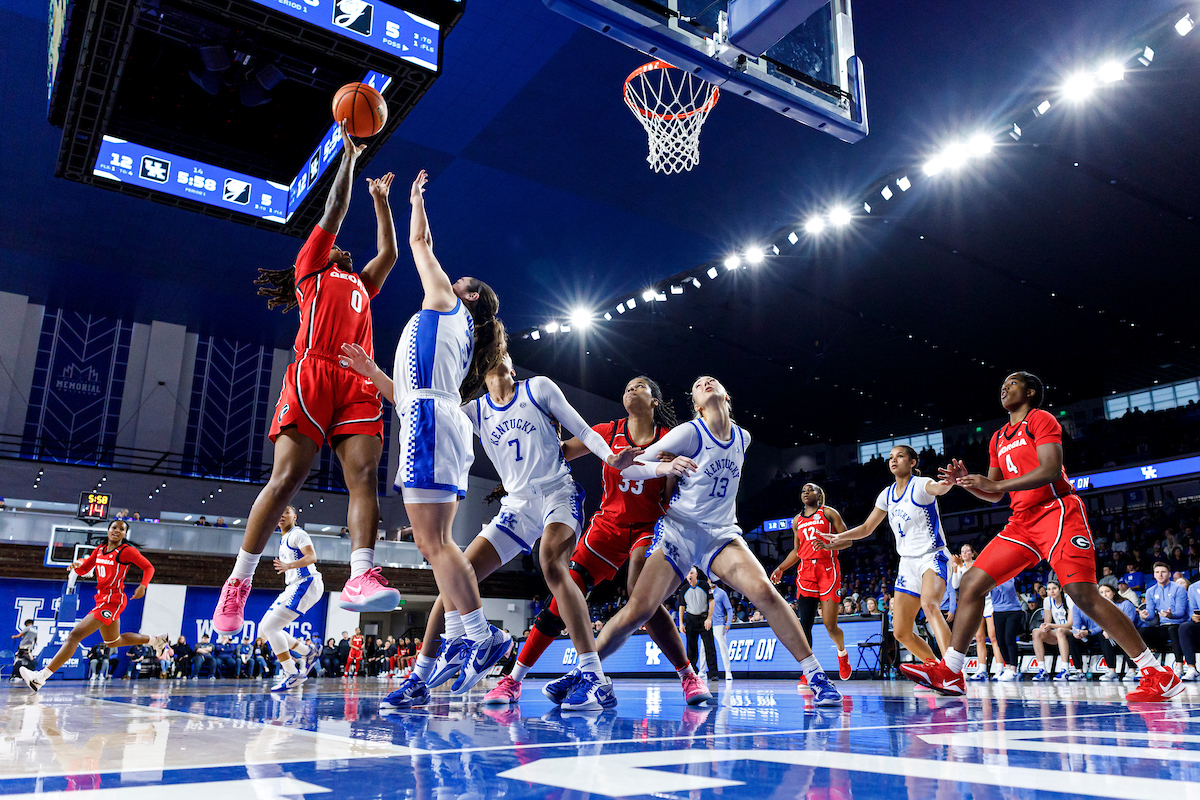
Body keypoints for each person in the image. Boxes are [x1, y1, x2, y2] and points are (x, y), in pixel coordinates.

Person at [362, 353, 639, 709]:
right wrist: (374, 372)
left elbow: (583, 430)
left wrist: (611, 457)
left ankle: (592, 675)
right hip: (518, 505)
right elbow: (415, 404)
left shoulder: (538, 388)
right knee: (455, 576)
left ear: (511, 362)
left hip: (558, 493)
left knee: (552, 563)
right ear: (480, 369)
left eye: (502, 350)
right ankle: (419, 678)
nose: (497, 355)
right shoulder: (475, 411)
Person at [211, 122, 401, 637]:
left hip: (357, 377)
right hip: (312, 371)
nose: (347, 249)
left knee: (363, 476)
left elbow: (390, 255)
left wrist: (381, 200)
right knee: (286, 480)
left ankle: (361, 573)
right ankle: (241, 580)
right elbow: (334, 211)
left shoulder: (362, 282)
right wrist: (348, 159)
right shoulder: (311, 266)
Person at [558, 376, 843, 706]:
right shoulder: (690, 432)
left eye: (711, 381)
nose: (705, 382)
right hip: (680, 531)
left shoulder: (743, 438)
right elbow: (630, 470)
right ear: (696, 405)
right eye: (698, 385)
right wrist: (665, 468)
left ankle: (816, 675)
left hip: (719, 535)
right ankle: (585, 671)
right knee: (639, 609)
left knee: (764, 590)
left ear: (725, 394)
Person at [899, 371, 1181, 701]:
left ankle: (1156, 673)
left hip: (1057, 510)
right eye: (1003, 385)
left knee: (1081, 593)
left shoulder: (1040, 420)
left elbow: (1049, 469)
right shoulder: (998, 438)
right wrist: (970, 482)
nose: (1005, 388)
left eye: (1013, 384)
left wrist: (996, 485)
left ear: (1031, 392)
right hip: (1022, 522)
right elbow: (993, 494)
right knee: (972, 583)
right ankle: (951, 672)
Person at [340, 168, 508, 701]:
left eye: (461, 280)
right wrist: (372, 374)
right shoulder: (451, 326)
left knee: (434, 543)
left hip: (432, 425)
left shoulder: (447, 303)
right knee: (437, 543)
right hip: (432, 419)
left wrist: (406, 201)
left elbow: (418, 241)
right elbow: (407, 392)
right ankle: (464, 638)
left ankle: (482, 637)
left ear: (471, 297)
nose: (449, 275)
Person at [488, 375, 708, 707]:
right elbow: (561, 453)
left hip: (651, 526)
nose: (630, 389)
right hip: (607, 527)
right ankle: (513, 680)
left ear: (654, 401)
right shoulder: (608, 431)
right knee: (561, 598)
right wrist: (521, 470)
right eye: (627, 385)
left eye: (639, 386)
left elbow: (675, 492)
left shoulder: (671, 439)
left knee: (640, 592)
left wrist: (670, 474)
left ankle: (688, 676)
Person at [824, 446, 954, 669]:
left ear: (913, 462)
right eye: (891, 457)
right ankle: (936, 669)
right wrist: (838, 537)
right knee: (902, 631)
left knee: (930, 605)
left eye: (900, 456)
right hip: (907, 563)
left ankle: (954, 671)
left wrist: (950, 481)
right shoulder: (887, 494)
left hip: (932, 557)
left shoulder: (921, 485)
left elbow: (939, 488)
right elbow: (866, 528)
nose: (894, 460)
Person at [19, 519, 165, 692]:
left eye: (121, 529)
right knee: (113, 642)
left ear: (125, 534)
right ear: (108, 530)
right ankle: (157, 640)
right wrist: (76, 566)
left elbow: (149, 568)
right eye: (114, 527)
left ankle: (41, 677)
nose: (117, 531)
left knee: (74, 636)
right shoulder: (99, 550)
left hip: (113, 600)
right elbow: (84, 570)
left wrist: (143, 585)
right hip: (101, 599)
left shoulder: (126, 551)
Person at [771, 483, 853, 681]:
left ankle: (842, 655)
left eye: (810, 489)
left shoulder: (829, 513)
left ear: (819, 494)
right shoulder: (797, 520)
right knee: (804, 624)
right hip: (806, 571)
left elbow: (848, 540)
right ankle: (809, 671)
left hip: (828, 568)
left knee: (829, 625)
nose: (806, 492)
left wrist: (829, 544)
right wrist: (781, 568)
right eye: (803, 491)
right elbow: (797, 552)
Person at [260, 506, 323, 691]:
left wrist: (289, 565)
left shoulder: (298, 534)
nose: (281, 514)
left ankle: (292, 673)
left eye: (286, 511)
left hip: (306, 582)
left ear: (295, 516)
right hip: (294, 585)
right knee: (264, 630)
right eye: (279, 511)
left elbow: (312, 557)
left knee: (272, 627)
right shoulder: (284, 538)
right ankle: (308, 651)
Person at [1140, 561, 1188, 674]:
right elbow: (1151, 615)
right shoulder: (1150, 591)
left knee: (1173, 630)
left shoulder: (1179, 588)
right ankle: (1148, 666)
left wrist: (1171, 615)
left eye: (1163, 572)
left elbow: (1181, 612)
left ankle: (1179, 666)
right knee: (1142, 631)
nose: (1160, 575)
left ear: (1169, 574)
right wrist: (1144, 617)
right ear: (1154, 574)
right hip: (1162, 626)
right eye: (1157, 572)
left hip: (1179, 625)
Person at [1030, 581, 1077, 681]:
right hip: (1058, 632)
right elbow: (1047, 622)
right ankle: (1042, 670)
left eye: (1054, 588)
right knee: (1036, 632)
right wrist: (1044, 626)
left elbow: (1070, 624)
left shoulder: (1068, 598)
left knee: (1060, 631)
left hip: (1073, 631)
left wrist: (1051, 625)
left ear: (1060, 589)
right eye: (1049, 589)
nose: (1051, 591)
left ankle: (1065, 670)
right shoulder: (1047, 600)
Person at [677, 568, 718, 681]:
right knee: (691, 647)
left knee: (709, 646)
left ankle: (713, 673)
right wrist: (681, 623)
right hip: (690, 619)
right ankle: (693, 672)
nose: (689, 576)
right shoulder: (683, 589)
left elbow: (711, 601)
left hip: (704, 618)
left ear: (696, 574)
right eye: (687, 574)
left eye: (691, 573)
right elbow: (682, 606)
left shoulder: (704, 585)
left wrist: (709, 618)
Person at [989, 578, 1022, 681]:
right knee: (1000, 641)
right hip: (997, 611)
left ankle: (1014, 668)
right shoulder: (990, 578)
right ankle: (1007, 666)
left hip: (1013, 610)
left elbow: (1007, 589)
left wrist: (994, 583)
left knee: (1009, 638)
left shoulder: (1009, 577)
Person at [710, 578, 734, 682]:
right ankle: (702, 672)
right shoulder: (706, 593)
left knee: (723, 648)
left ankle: (728, 672)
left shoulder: (721, 593)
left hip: (719, 624)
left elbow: (729, 608)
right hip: (708, 625)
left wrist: (728, 623)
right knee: (703, 649)